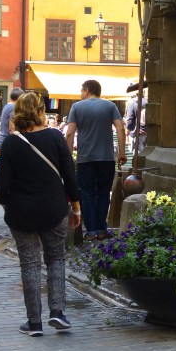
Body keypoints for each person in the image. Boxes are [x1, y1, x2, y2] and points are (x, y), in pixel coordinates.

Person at [0, 92, 81, 336]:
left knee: (30, 263)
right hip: (54, 208)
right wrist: (76, 207)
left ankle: (34, 322)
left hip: (21, 211)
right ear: (41, 111)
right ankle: (58, 312)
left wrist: (6, 205)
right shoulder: (55, 137)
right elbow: (70, 175)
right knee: (55, 259)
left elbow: (1, 185)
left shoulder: (11, 143)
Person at [66, 79, 126, 239]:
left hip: (85, 158)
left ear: (86, 90)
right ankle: (101, 229)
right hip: (106, 157)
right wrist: (122, 153)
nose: (80, 94)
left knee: (86, 193)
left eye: (81, 90)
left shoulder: (77, 107)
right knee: (104, 192)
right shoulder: (110, 106)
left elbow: (70, 133)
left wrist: (68, 155)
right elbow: (120, 127)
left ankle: (91, 230)